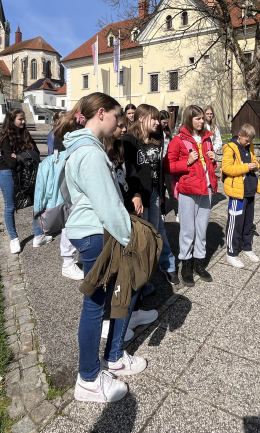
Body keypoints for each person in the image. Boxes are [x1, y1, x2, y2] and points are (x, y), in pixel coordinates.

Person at [61, 92, 147, 404]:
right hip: (96, 235)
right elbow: (109, 205)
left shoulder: (81, 148)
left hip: (90, 233)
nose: (117, 122)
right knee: (96, 306)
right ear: (100, 114)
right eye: (114, 116)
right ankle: (87, 379)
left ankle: (105, 363)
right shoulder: (91, 153)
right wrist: (131, 240)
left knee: (104, 302)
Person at [102, 118, 158, 341]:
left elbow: (131, 176)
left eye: (125, 124)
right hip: (114, 220)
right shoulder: (101, 153)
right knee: (115, 271)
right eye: (119, 125)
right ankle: (108, 322)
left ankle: (132, 313)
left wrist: (136, 194)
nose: (124, 129)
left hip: (129, 211)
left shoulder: (121, 148)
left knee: (132, 267)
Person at [123, 104, 180, 287]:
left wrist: (161, 193)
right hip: (139, 195)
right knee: (141, 236)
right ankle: (141, 277)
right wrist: (135, 194)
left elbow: (159, 168)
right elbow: (129, 171)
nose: (157, 123)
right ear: (141, 118)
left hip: (154, 192)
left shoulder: (157, 137)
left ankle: (168, 265)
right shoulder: (129, 140)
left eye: (158, 119)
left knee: (159, 231)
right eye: (153, 118)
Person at [166, 105, 218, 286]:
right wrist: (186, 162)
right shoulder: (178, 140)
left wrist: (213, 160)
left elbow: (210, 166)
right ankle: (186, 265)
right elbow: (168, 166)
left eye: (203, 118)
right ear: (189, 119)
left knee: (202, 228)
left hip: (206, 188)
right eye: (197, 118)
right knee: (188, 230)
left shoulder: (207, 139)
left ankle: (199, 263)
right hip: (188, 190)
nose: (202, 121)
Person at [0, 109, 49, 254]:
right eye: (20, 119)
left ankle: (38, 236)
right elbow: (11, 163)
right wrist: (24, 154)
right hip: (8, 173)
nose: (24, 121)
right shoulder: (6, 137)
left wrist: (18, 156)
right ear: (12, 120)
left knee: (36, 203)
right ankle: (14, 239)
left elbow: (36, 153)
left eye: (24, 118)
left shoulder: (26, 135)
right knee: (10, 207)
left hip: (27, 174)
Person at [222, 123, 260, 268]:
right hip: (237, 192)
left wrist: (255, 166)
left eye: (250, 141)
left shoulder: (249, 146)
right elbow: (226, 168)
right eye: (246, 141)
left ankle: (247, 248)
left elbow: (255, 162)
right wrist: (246, 167)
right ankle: (231, 253)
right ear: (240, 136)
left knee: (248, 222)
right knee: (235, 223)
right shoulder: (230, 148)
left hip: (250, 190)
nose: (248, 143)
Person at [52, 109, 86, 281]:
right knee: (70, 221)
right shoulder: (65, 136)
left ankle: (77, 256)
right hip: (69, 185)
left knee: (76, 219)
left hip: (73, 183)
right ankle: (67, 262)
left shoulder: (67, 135)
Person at [159, 109, 177, 219]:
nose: (165, 125)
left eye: (167, 122)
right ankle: (162, 212)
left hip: (168, 160)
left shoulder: (168, 132)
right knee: (160, 188)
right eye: (164, 122)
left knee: (171, 187)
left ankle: (177, 211)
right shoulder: (156, 131)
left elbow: (172, 144)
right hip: (159, 161)